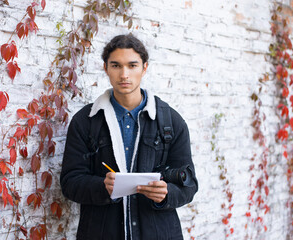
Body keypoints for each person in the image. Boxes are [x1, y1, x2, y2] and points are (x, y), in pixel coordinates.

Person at [60, 34, 198, 240]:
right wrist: (103, 187)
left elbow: (189, 184)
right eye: (116, 65)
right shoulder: (85, 121)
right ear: (105, 68)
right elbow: (70, 183)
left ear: (144, 68)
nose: (124, 74)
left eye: (132, 65)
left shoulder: (171, 121)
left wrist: (166, 194)